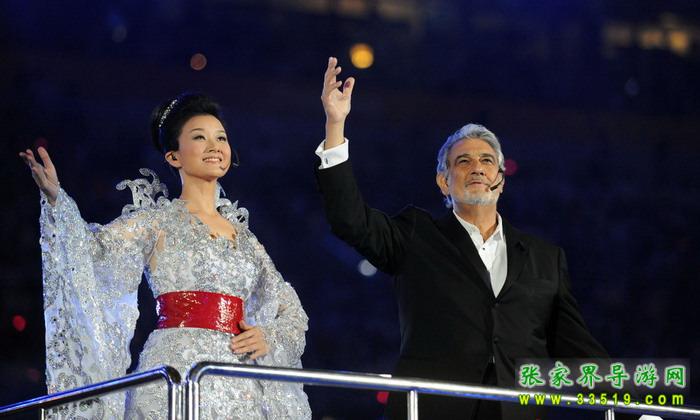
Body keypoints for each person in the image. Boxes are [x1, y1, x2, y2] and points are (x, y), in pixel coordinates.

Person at [316, 57, 609, 420]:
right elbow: (350, 220)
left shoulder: (545, 258)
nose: (477, 169)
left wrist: (639, 411)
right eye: (464, 162)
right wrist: (335, 124)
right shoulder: (417, 236)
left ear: (501, 179)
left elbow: (580, 349)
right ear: (444, 181)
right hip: (435, 410)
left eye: (487, 161)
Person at [19, 93, 311, 419]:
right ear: (174, 156)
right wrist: (58, 201)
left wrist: (269, 336)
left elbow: (292, 311)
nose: (215, 146)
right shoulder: (156, 223)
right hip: (173, 376)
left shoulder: (246, 241)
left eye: (221, 138)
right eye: (199, 137)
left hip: (239, 386)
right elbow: (93, 251)